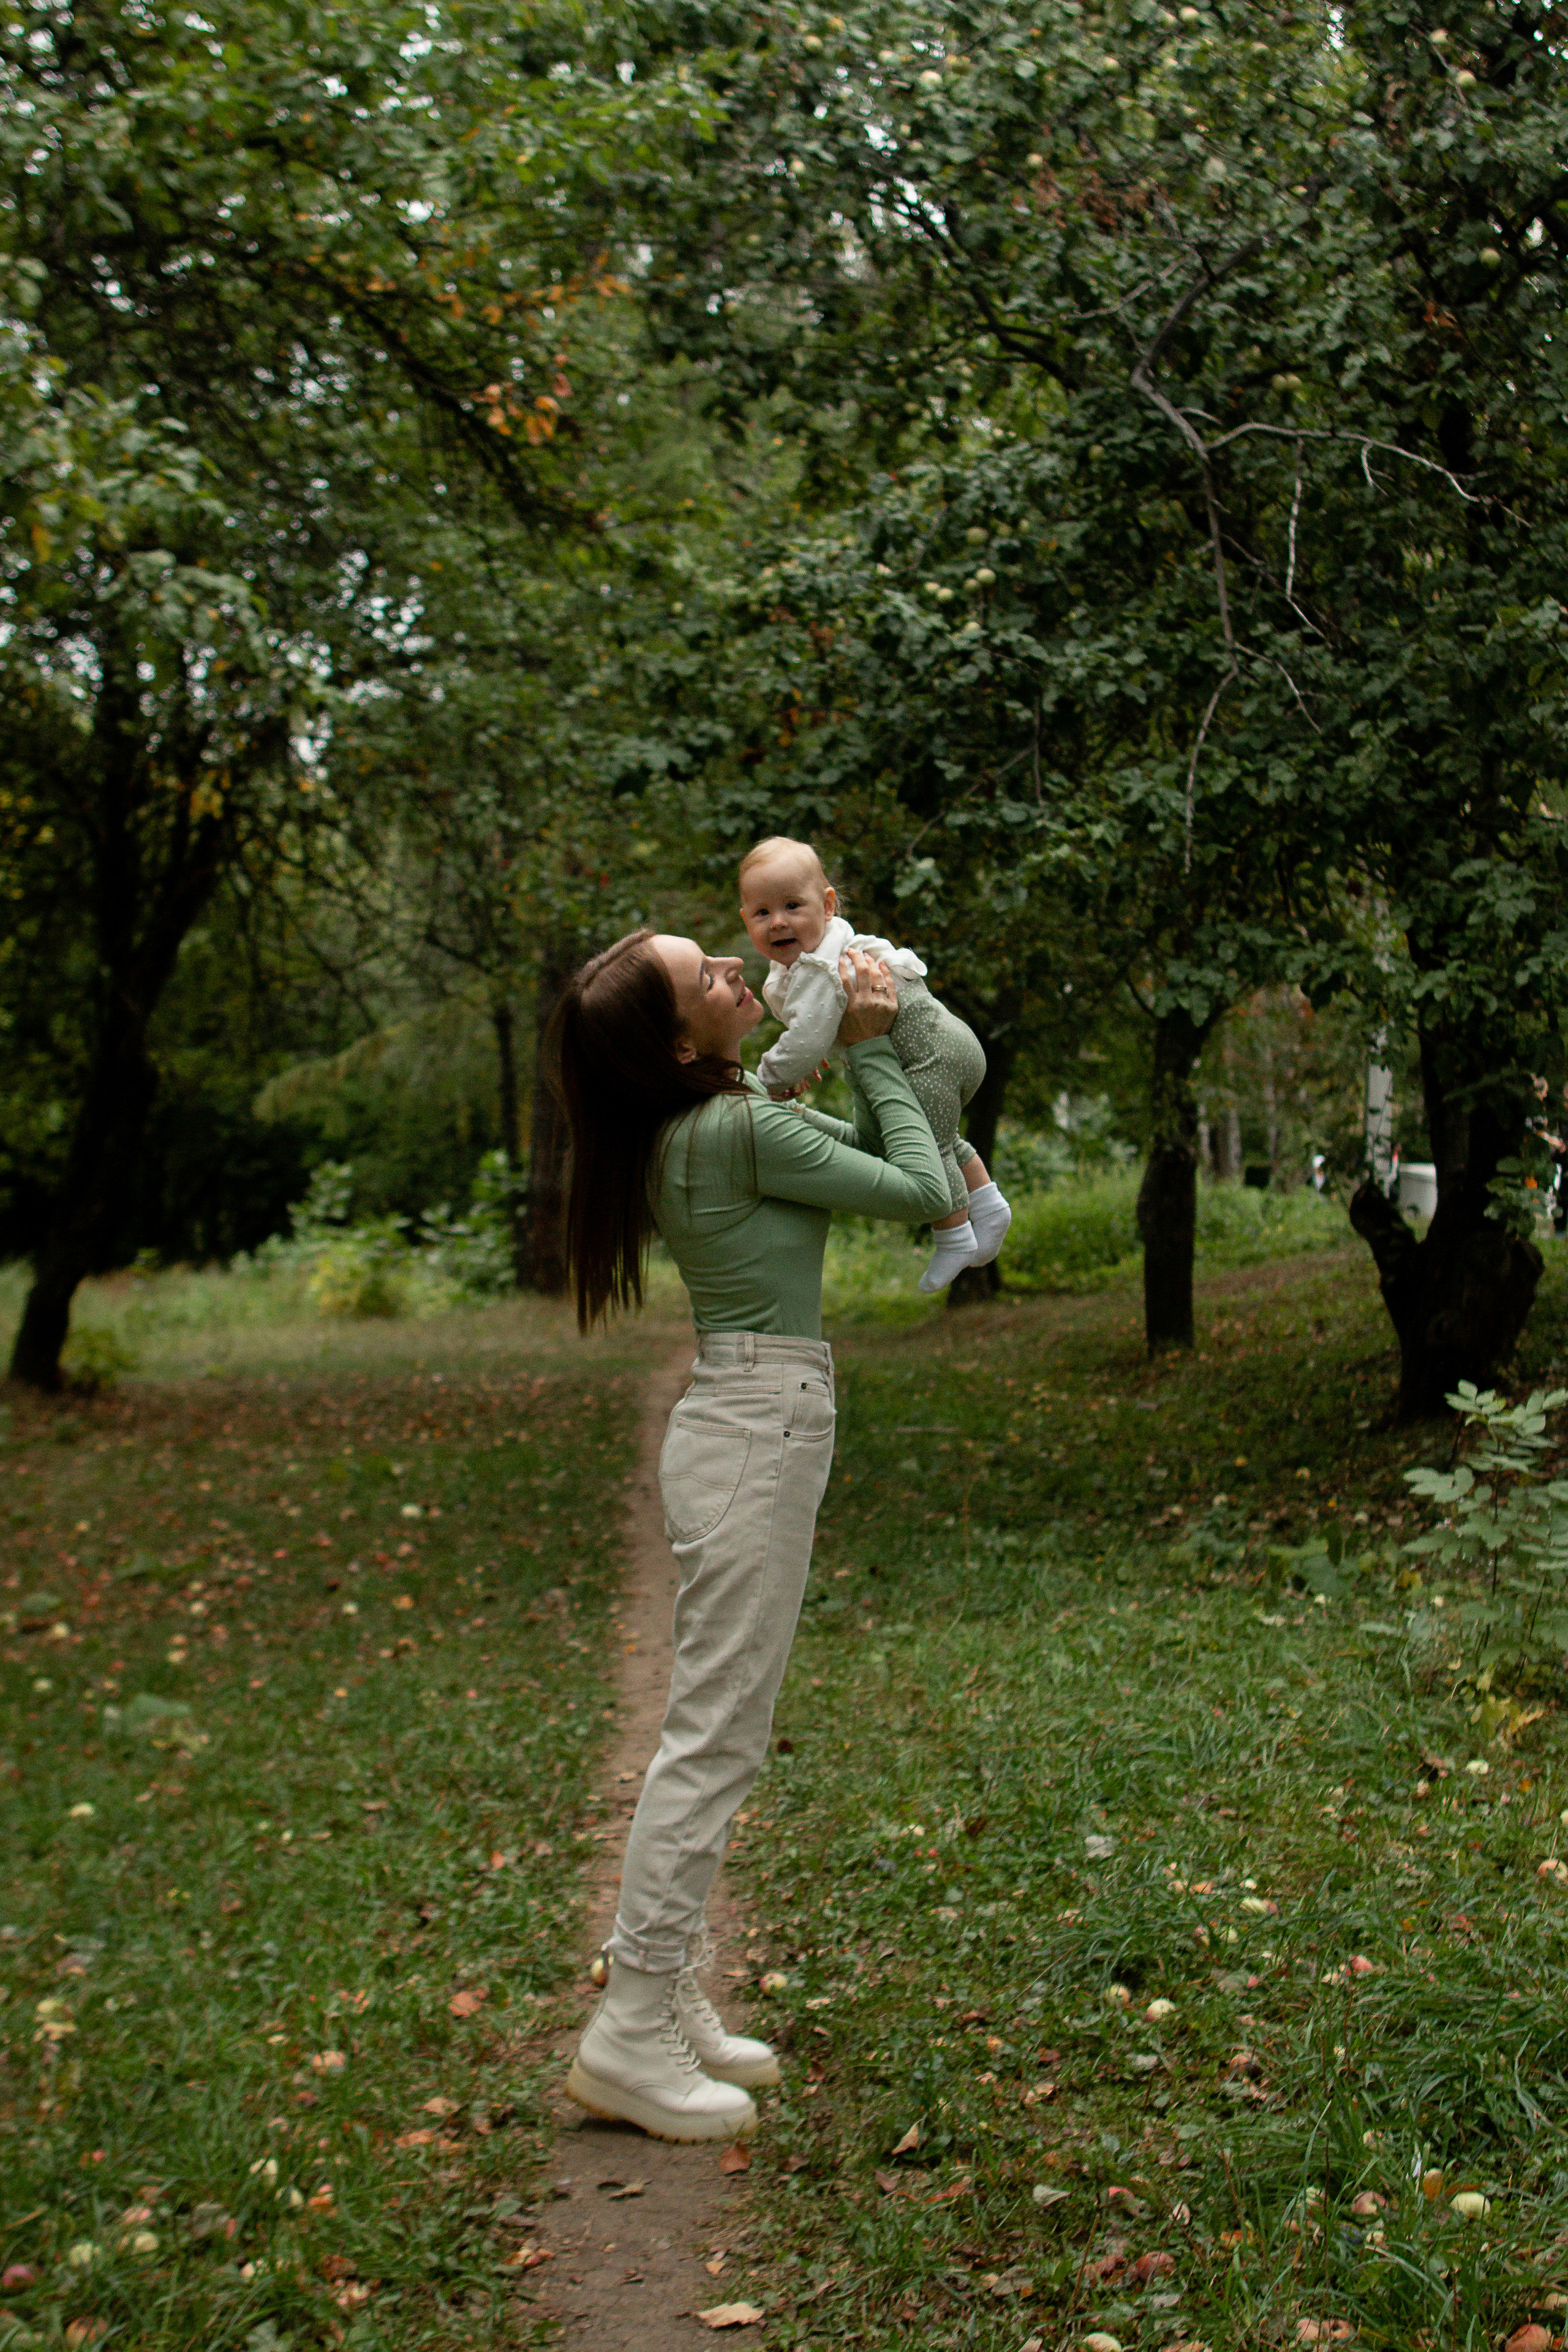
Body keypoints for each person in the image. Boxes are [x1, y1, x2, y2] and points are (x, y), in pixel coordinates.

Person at [546, 929, 952, 2142]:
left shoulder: (712, 1126)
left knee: (719, 1728)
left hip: (742, 1419)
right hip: (755, 1428)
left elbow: (870, 1157)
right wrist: (872, 1045)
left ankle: (665, 1998)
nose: (737, 971)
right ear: (680, 1044)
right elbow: (924, 1189)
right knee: (715, 1737)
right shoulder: (733, 1131)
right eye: (709, 977)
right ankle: (629, 2033)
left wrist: (848, 1057)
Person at [739, 836, 1011, 1291]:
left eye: (792, 906)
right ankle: (989, 1206)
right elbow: (818, 1030)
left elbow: (806, 1037)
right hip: (946, 1044)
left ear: (827, 905)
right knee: (943, 1135)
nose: (779, 921)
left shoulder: (817, 967)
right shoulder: (814, 952)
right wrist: (807, 1058)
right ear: (745, 920)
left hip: (928, 1055)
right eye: (762, 913)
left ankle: (954, 1236)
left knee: (931, 1145)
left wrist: (768, 1079)